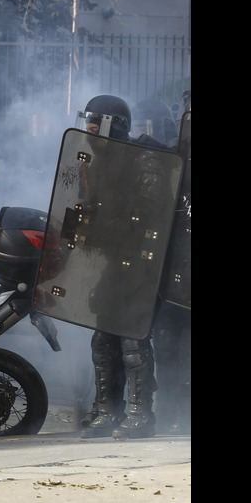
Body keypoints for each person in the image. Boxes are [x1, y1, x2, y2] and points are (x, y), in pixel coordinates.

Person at [75, 94, 160, 440]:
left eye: (96, 123)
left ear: (114, 125)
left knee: (132, 339)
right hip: (112, 262)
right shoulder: (93, 163)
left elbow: (153, 214)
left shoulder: (146, 159)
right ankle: (107, 410)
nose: (90, 130)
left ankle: (141, 414)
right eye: (88, 123)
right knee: (102, 339)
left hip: (141, 263)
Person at [130, 98, 190, 435]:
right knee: (166, 342)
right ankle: (168, 412)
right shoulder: (171, 158)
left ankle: (185, 413)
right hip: (169, 272)